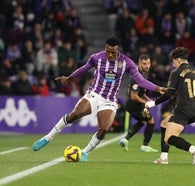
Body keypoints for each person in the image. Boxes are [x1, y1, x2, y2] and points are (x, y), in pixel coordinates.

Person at [32, 36, 166, 162]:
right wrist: (69, 77)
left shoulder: (127, 63)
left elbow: (141, 81)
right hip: (95, 94)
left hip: (110, 101)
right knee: (74, 115)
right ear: (105, 48)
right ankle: (47, 138)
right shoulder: (97, 58)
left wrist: (157, 88)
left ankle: (85, 152)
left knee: (103, 130)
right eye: (108, 51)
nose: (110, 55)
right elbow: (84, 68)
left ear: (118, 50)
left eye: (113, 52)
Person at [119, 54, 158, 152]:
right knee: (151, 121)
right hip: (134, 104)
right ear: (139, 63)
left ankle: (125, 139)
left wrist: (147, 98)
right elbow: (134, 96)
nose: (147, 66)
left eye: (148, 63)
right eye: (144, 64)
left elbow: (141, 91)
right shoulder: (136, 75)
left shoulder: (143, 73)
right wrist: (145, 102)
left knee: (142, 121)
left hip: (133, 104)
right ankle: (145, 146)